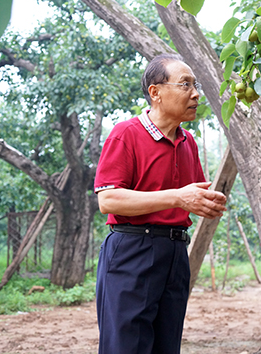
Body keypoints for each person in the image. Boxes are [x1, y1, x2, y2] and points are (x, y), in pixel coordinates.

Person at [94, 53, 227, 354]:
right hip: (132, 252)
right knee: (126, 346)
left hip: (175, 254)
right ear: (155, 92)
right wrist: (179, 196)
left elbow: (193, 195)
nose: (195, 94)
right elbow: (109, 199)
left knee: (166, 346)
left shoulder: (188, 142)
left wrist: (206, 202)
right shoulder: (125, 134)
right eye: (185, 85)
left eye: (196, 86)